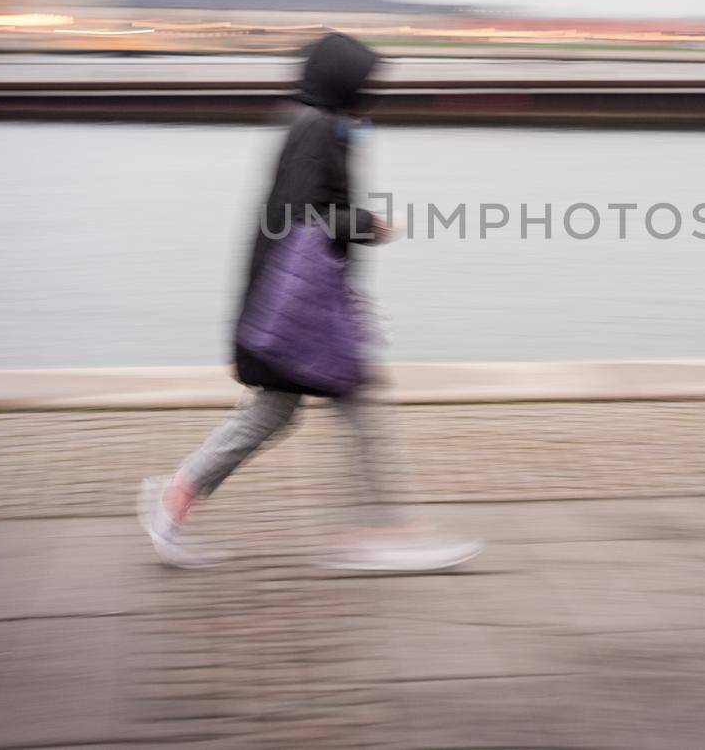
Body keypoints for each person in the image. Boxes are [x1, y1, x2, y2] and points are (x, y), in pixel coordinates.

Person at [139, 31, 481, 572]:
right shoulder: (315, 130)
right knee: (350, 403)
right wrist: (369, 223)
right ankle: (383, 531)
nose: (373, 91)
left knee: (275, 412)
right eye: (366, 81)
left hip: (294, 303)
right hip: (294, 307)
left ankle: (175, 498)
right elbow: (303, 218)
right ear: (344, 81)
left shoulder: (324, 125)